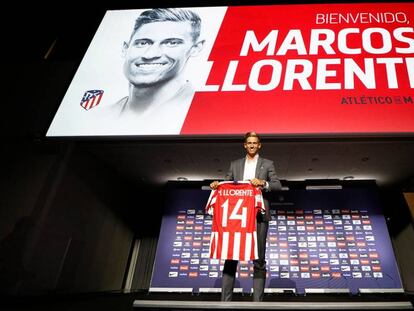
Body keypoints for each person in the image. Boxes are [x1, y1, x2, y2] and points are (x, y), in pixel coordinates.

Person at [107, 8, 205, 134]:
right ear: (125, 48)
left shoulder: (202, 113)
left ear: (196, 48)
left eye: (171, 43)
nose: (150, 54)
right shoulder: (98, 116)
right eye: (143, 43)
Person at [210, 131, 281, 302]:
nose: (251, 145)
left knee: (259, 260)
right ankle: (225, 303)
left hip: (258, 217)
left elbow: (277, 185)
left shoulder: (268, 164)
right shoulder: (235, 165)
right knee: (230, 257)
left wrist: (263, 183)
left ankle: (257, 304)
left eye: (255, 143)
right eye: (249, 142)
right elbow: (226, 184)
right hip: (237, 219)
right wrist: (216, 186)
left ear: (259, 145)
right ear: (245, 145)